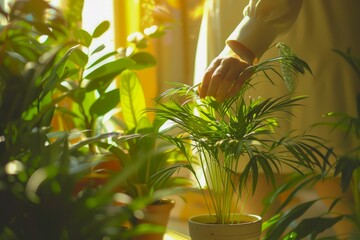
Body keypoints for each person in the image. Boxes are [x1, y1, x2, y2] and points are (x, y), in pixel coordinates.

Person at [192, 0, 360, 236]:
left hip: (307, 18)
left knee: (328, 153)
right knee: (243, 159)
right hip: (233, 17)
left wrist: (245, 41)